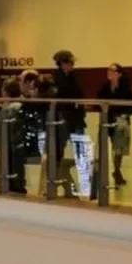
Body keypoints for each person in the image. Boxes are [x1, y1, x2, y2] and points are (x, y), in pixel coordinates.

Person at [45, 50, 85, 193]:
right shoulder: (56, 79)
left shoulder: (74, 77)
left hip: (74, 117)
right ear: (62, 64)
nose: (72, 65)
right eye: (69, 63)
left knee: (80, 149)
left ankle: (70, 181)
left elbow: (79, 95)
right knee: (58, 149)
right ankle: (58, 178)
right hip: (62, 117)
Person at [94, 63, 132, 190]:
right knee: (105, 146)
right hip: (107, 120)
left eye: (112, 71)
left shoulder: (125, 89)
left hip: (120, 121)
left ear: (119, 73)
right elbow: (97, 102)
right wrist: (102, 107)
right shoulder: (104, 88)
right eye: (108, 70)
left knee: (118, 148)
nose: (109, 73)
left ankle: (117, 170)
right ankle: (104, 172)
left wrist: (123, 114)